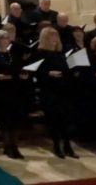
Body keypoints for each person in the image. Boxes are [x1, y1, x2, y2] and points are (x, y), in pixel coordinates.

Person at [30, 26, 77, 159]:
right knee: (54, 120)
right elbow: (35, 71)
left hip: (63, 89)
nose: (54, 39)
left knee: (66, 119)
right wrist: (48, 73)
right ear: (45, 38)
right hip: (49, 90)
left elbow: (67, 69)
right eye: (51, 37)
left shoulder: (60, 53)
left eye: (55, 36)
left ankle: (68, 146)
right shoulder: (39, 53)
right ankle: (57, 146)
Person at [0, 29, 28, 158]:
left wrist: (23, 75)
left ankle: (15, 146)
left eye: (7, 38)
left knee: (15, 119)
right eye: (3, 38)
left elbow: (17, 68)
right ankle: (7, 146)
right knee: (5, 120)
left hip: (14, 90)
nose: (6, 40)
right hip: (1, 91)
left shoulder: (12, 54)